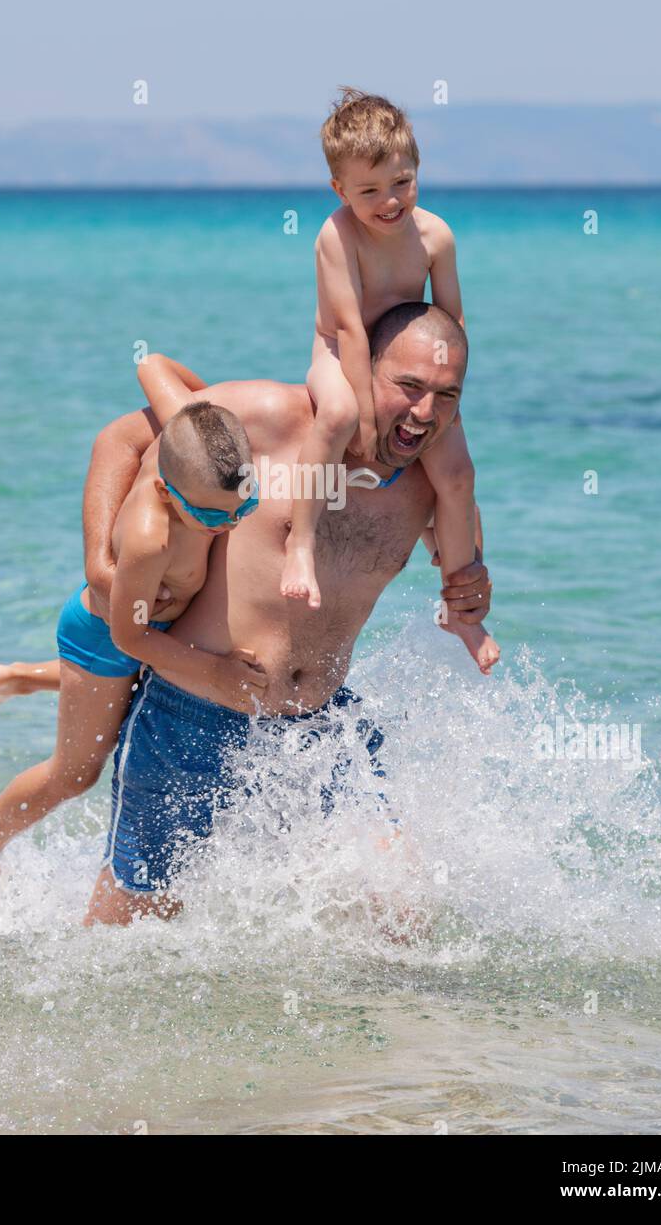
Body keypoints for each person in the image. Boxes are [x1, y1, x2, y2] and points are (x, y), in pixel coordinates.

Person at [78, 302, 492, 924]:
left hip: (320, 727)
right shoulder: (271, 418)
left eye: (446, 395)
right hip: (191, 715)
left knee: (401, 911)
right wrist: (100, 566)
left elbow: (463, 570)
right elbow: (121, 438)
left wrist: (473, 589)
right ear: (363, 370)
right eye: (408, 387)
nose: (424, 413)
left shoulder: (436, 482)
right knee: (134, 925)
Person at [0, 401, 267, 879]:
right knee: (76, 774)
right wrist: (216, 672)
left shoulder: (203, 462)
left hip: (141, 636)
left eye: (245, 506)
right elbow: (128, 636)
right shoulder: (150, 539)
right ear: (165, 490)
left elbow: (158, 370)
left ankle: (10, 678)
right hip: (104, 638)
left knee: (115, 695)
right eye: (210, 515)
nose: (229, 524)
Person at [279, 88, 499, 678]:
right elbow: (349, 327)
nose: (388, 201)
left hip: (406, 363)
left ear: (416, 169)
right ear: (339, 191)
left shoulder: (435, 237)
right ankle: (300, 543)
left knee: (456, 473)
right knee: (335, 420)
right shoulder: (336, 236)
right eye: (369, 191)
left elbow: (453, 325)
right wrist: (369, 420)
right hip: (339, 351)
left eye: (400, 182)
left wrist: (449, 405)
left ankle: (462, 608)